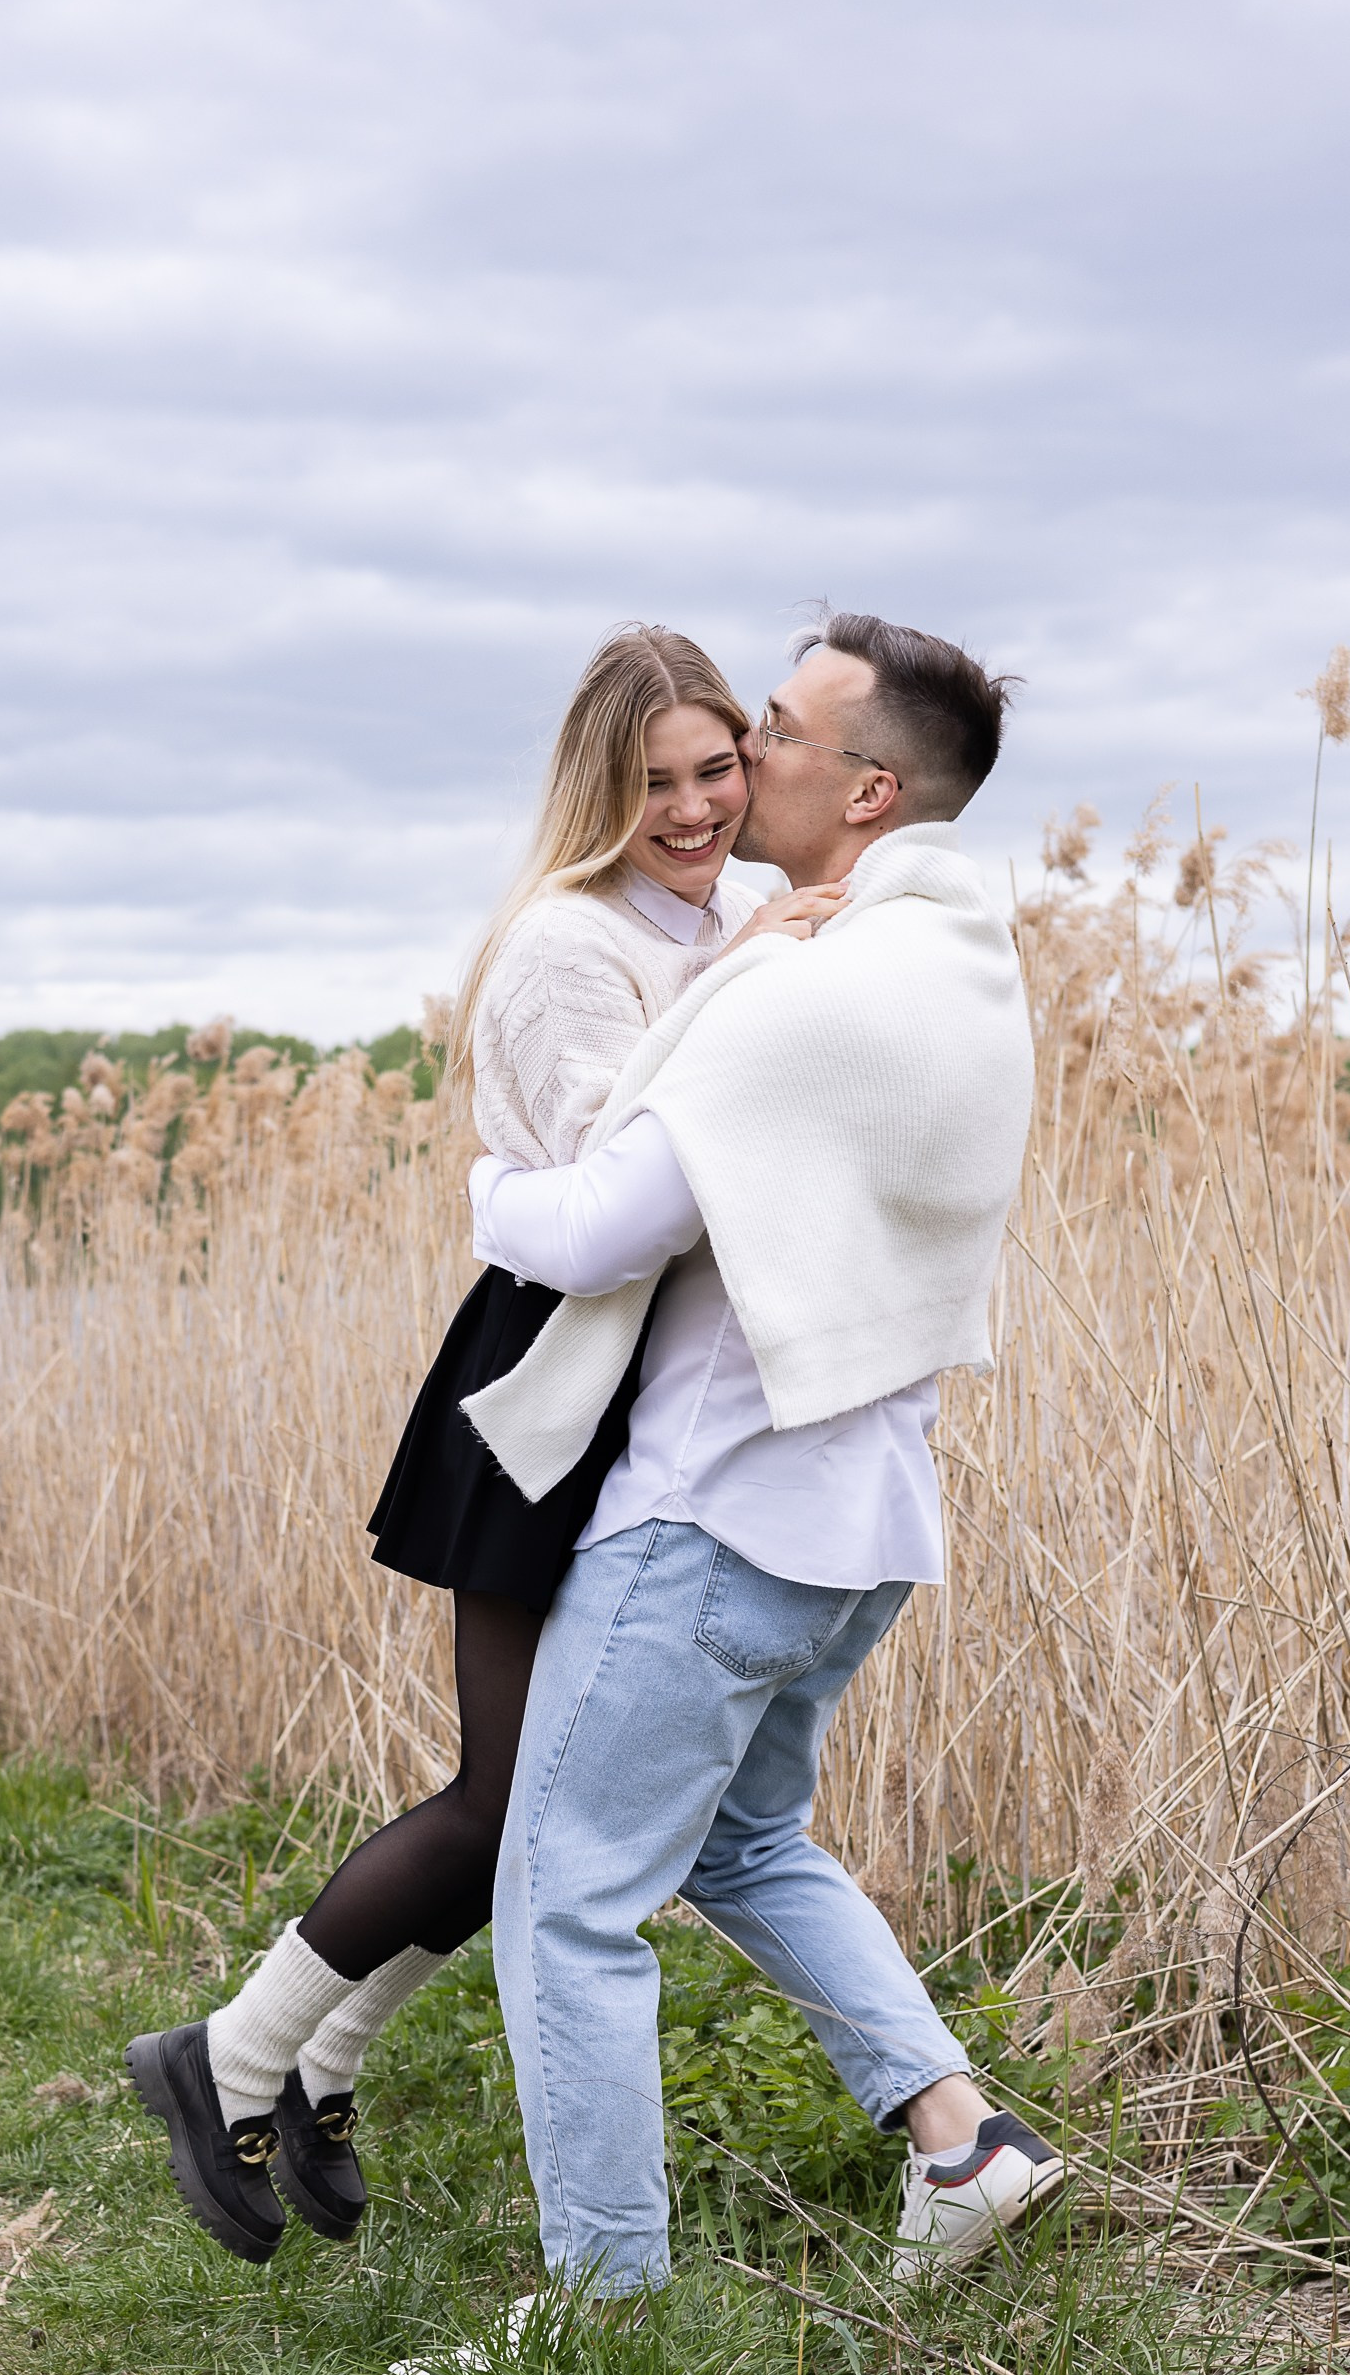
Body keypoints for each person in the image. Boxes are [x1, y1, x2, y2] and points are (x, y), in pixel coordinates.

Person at [126, 623, 844, 2265]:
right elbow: (620, 1185)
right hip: (543, 1378)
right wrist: (747, 980)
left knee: (542, 1800)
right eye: (653, 781)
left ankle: (317, 2060)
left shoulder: (741, 909)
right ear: (599, 787)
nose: (693, 809)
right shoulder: (560, 948)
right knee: (514, 1789)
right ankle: (231, 2058)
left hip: (652, 1393)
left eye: (718, 768)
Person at [460, 611, 1063, 2312]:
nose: (745, 764)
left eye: (779, 737)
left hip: (715, 1521)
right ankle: (964, 2140)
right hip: (864, 1529)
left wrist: (482, 1186)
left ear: (869, 789)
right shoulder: (962, 964)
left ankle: (604, 2312)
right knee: (740, 1841)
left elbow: (587, 1233)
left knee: (565, 1902)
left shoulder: (805, 995)